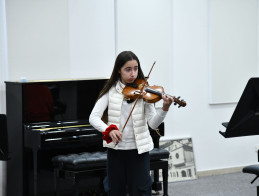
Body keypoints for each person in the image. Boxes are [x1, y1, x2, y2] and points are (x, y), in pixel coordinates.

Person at [89, 51, 174, 196]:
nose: (133, 73)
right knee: (116, 191)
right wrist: (109, 129)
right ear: (119, 70)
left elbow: (153, 124)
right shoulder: (111, 91)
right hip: (116, 151)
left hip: (139, 151)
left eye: (135, 68)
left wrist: (164, 109)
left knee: (141, 190)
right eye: (128, 69)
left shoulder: (144, 91)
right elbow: (93, 117)